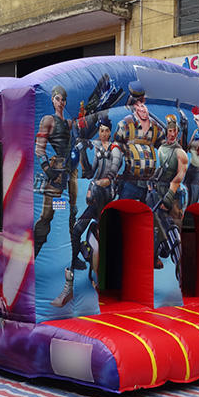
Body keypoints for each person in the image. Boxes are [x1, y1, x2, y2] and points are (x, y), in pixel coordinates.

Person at [33, 85, 80, 307]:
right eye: (58, 99)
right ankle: (31, 262)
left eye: (63, 99)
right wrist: (48, 170)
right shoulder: (48, 120)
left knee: (73, 219)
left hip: (71, 172)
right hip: (57, 171)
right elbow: (39, 148)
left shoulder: (69, 123)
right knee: (46, 217)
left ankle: (70, 280)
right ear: (53, 100)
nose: (61, 102)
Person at [70, 116, 123, 288]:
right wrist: (82, 152)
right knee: (77, 230)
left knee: (105, 239)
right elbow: (90, 172)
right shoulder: (98, 148)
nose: (103, 134)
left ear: (110, 132)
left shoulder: (116, 150)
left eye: (106, 131)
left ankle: (103, 273)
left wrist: (94, 185)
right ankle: (77, 258)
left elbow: (110, 177)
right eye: (101, 131)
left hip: (106, 198)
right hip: (96, 198)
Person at [150, 114, 188, 277]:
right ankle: (155, 256)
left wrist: (169, 196)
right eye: (170, 131)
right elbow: (159, 170)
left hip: (172, 196)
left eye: (174, 131)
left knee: (172, 228)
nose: (172, 134)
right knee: (156, 228)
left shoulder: (180, 152)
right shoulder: (161, 149)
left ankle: (181, 265)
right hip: (157, 192)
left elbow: (179, 176)